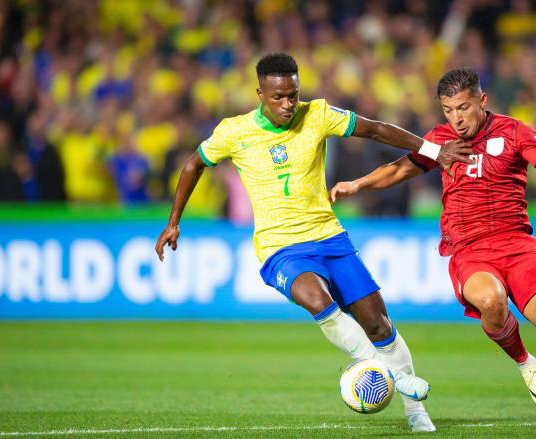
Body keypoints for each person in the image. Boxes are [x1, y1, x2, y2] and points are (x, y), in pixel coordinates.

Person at [155, 52, 472, 432]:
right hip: (280, 248)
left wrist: (434, 151)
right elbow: (194, 164)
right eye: (278, 97)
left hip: (329, 237)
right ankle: (397, 378)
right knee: (317, 299)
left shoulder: (317, 114)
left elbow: (372, 129)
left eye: (293, 94)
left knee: (379, 325)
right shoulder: (234, 132)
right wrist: (174, 222)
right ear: (260, 93)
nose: (288, 104)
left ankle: (415, 413)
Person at [330, 67, 536, 435]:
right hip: (469, 250)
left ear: (482, 100)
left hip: (518, 245)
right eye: (448, 110)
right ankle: (525, 362)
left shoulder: (514, 132)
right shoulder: (441, 140)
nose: (456, 119)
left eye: (463, 107)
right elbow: (399, 170)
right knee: (490, 300)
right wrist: (358, 185)